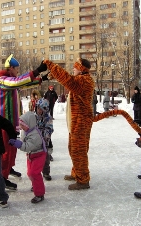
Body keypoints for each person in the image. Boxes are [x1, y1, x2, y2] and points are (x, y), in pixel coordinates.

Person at [0, 54, 47, 190]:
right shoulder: (2, 80)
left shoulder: (10, 80)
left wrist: (42, 79)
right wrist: (37, 70)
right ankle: (2, 178)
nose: (17, 71)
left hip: (12, 122)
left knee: (12, 150)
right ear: (10, 68)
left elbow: (23, 84)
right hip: (4, 123)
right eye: (16, 69)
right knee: (6, 151)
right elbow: (18, 82)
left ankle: (8, 169)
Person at [43, 57, 94, 190]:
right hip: (76, 122)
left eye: (76, 66)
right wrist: (54, 74)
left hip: (81, 122)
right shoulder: (81, 80)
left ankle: (83, 180)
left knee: (79, 151)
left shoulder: (83, 81)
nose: (73, 68)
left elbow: (68, 80)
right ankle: (77, 173)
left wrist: (51, 65)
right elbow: (68, 80)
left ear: (82, 69)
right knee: (73, 149)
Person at [8, 111, 47, 203]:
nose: (21, 127)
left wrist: (18, 144)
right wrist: (16, 141)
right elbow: (24, 142)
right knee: (30, 173)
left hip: (39, 155)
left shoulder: (35, 135)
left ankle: (39, 194)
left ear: (29, 124)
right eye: (20, 125)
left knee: (34, 173)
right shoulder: (26, 131)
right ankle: (36, 184)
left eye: (22, 125)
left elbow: (27, 146)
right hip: (31, 155)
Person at [35, 98, 54, 181]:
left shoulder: (48, 118)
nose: (38, 110)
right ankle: (36, 175)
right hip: (34, 142)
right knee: (35, 160)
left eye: (41, 109)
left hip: (44, 142)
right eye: (37, 108)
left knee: (45, 159)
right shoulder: (33, 116)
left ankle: (46, 172)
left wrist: (44, 134)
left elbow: (50, 129)